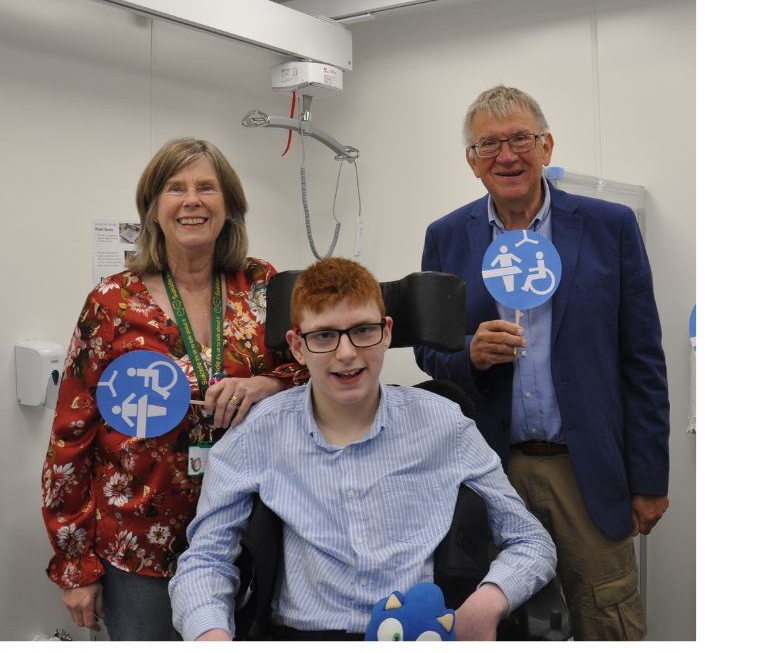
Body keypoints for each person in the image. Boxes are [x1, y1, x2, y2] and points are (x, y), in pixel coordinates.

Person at [168, 257, 556, 641]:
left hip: (419, 632)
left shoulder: (444, 424)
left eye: (363, 331)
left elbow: (530, 540)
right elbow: (206, 560)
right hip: (306, 635)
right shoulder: (259, 432)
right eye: (323, 336)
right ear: (296, 346)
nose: (347, 353)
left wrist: (487, 602)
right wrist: (211, 636)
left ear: (386, 332)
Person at [415, 85, 670, 640]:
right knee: (500, 621)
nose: (507, 156)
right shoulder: (446, 236)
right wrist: (469, 353)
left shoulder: (610, 226)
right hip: (488, 468)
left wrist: (649, 478)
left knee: (607, 615)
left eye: (521, 140)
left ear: (547, 146)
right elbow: (427, 351)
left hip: (585, 468)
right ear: (472, 162)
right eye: (489, 145)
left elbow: (643, 359)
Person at [41, 137, 306, 640]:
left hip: (251, 529)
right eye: (175, 188)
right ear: (152, 208)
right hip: (141, 540)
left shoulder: (264, 285)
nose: (192, 200)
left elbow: (317, 373)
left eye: (207, 187)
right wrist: (74, 563)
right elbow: (70, 434)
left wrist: (267, 383)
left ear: (229, 207)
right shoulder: (113, 302)